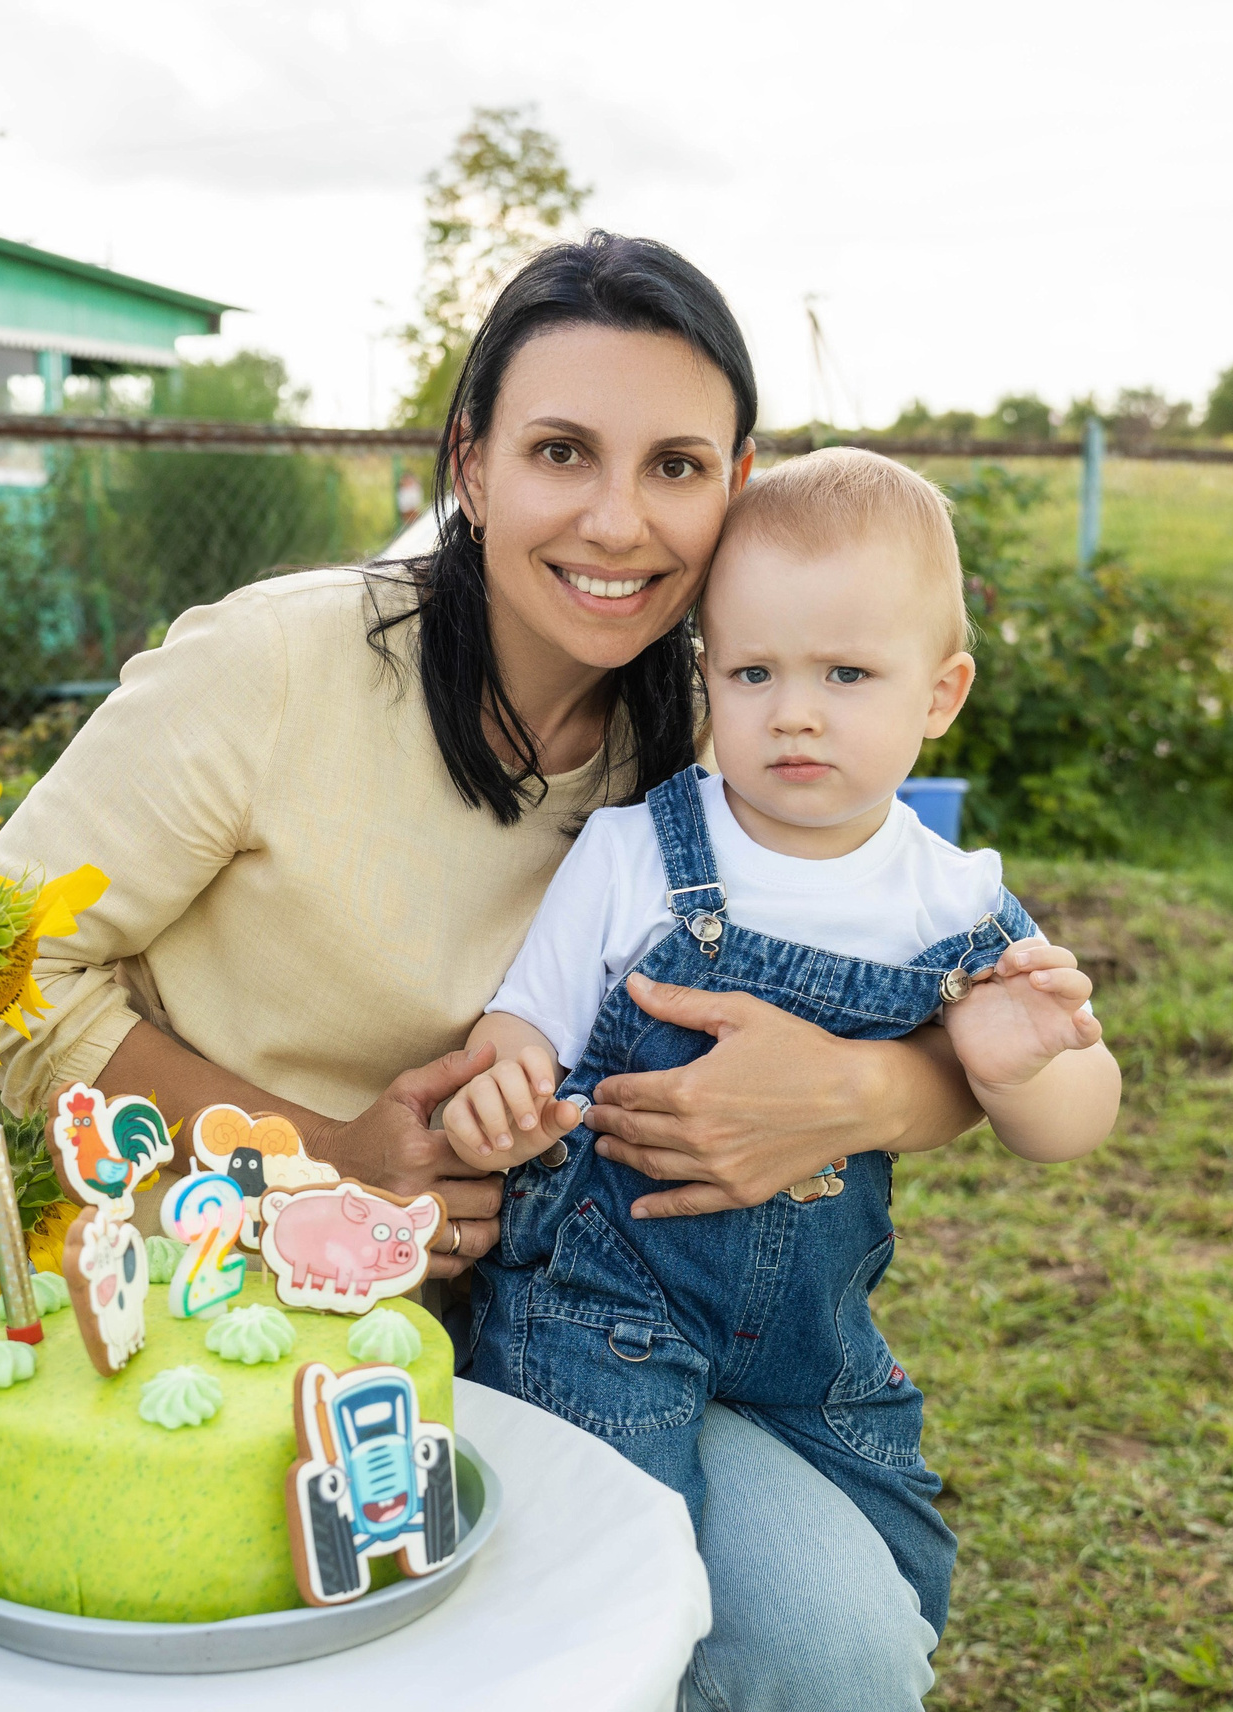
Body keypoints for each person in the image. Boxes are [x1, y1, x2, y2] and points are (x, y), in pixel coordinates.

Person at [0, 232, 992, 1711]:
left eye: (677, 466)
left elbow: (939, 1002)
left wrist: (858, 1090)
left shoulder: (724, 742)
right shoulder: (275, 672)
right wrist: (318, 1166)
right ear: (472, 462)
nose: (619, 521)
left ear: (738, 485)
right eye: (563, 451)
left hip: (583, 1325)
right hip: (238, 1314)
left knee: (840, 1649)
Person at [440, 447, 1122, 1630]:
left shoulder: (950, 901)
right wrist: (498, 1088)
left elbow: (1076, 1124)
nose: (793, 711)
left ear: (940, 693)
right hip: (600, 1313)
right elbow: (522, 1024)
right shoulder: (636, 852)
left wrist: (1025, 1064)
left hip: (813, 1340)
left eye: (848, 672)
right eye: (752, 670)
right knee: (609, 1585)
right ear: (708, 673)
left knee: (901, 1573)